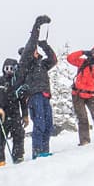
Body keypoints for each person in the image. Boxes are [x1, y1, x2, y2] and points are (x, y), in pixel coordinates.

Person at [17, 15, 58, 158]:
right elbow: (30, 44)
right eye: (33, 49)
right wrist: (37, 26)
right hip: (34, 96)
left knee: (48, 125)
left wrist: (44, 45)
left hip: (45, 96)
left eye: (36, 50)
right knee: (39, 123)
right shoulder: (25, 64)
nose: (35, 51)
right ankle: (37, 151)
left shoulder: (42, 64)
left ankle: (44, 151)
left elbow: (53, 59)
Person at [66, 46, 94, 145]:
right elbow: (70, 58)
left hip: (91, 95)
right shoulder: (83, 62)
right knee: (82, 117)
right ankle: (84, 140)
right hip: (77, 94)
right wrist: (82, 52)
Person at [0, 57, 26, 164]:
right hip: (2, 113)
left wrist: (25, 115)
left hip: (15, 113)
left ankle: (18, 156)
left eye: (11, 68)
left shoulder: (17, 83)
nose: (9, 71)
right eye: (6, 68)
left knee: (18, 135)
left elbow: (23, 100)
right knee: (0, 137)